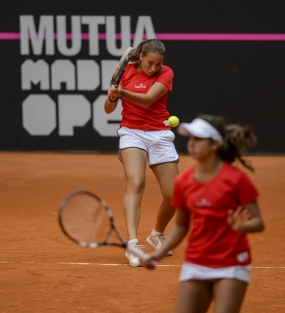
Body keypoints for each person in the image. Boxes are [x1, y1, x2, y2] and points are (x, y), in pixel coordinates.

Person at [142, 114, 265, 313]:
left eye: (198, 139)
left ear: (215, 144)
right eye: (190, 139)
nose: (191, 144)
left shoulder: (236, 180)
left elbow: (259, 222)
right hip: (196, 262)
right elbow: (181, 225)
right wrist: (159, 254)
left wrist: (243, 226)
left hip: (231, 263)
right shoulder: (183, 182)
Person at [104, 39, 179, 267]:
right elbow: (108, 108)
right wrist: (112, 96)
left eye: (158, 63)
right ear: (141, 57)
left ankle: (156, 234)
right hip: (132, 133)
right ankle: (133, 243)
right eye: (149, 63)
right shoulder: (127, 71)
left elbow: (147, 100)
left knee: (175, 195)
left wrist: (122, 92)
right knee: (135, 184)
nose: (154, 68)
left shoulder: (166, 73)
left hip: (159, 134)